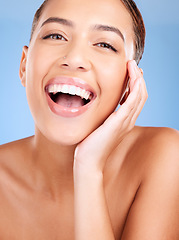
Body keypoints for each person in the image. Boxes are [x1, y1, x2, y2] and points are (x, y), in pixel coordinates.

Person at [0, 0, 179, 239]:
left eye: (105, 44)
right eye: (56, 36)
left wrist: (88, 168)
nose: (74, 59)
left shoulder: (163, 155)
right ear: (24, 65)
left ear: (130, 84)